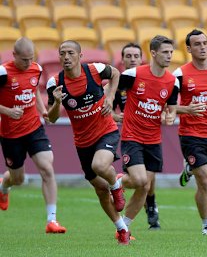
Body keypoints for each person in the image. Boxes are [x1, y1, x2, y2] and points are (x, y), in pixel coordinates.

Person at [46, 40, 129, 245]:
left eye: (71, 53)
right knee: (100, 190)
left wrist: (109, 97)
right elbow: (53, 118)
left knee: (99, 165)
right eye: (62, 53)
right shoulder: (54, 83)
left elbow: (116, 74)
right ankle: (122, 229)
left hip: (106, 130)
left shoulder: (95, 70)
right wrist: (57, 103)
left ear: (80, 55)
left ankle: (116, 186)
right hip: (82, 142)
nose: (66, 57)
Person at [0, 38, 67, 233]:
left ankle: (52, 220)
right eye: (24, 60)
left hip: (33, 128)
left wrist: (42, 110)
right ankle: (4, 186)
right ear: (14, 56)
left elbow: (34, 90)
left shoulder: (36, 69)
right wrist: (7, 112)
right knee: (18, 179)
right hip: (11, 134)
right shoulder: (3, 73)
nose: (28, 63)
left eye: (31, 59)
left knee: (47, 168)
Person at [115, 35, 180, 237]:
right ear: (153, 53)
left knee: (145, 186)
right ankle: (116, 183)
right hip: (132, 136)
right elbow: (110, 90)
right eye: (165, 52)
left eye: (171, 52)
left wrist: (171, 116)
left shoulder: (172, 81)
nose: (169, 56)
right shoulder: (132, 75)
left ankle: (124, 228)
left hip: (154, 140)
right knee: (140, 180)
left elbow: (171, 107)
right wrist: (110, 110)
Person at [173, 29, 207, 235]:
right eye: (197, 44)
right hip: (190, 135)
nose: (203, 47)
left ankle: (189, 167)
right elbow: (165, 104)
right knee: (204, 181)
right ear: (189, 48)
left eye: (205, 43)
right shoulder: (179, 74)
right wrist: (186, 109)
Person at [111, 43, 161, 230]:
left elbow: (162, 102)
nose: (132, 59)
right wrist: (116, 117)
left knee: (149, 178)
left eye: (136, 56)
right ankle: (150, 210)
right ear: (122, 59)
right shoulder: (120, 83)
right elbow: (106, 106)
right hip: (131, 134)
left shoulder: (151, 78)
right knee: (142, 179)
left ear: (142, 59)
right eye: (128, 56)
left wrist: (166, 113)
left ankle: (150, 205)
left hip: (151, 133)